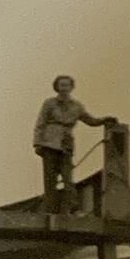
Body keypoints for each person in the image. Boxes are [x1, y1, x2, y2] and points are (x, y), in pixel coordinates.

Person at [33, 75, 117, 212]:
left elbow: (90, 120)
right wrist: (37, 143)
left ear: (71, 87)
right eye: (61, 85)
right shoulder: (49, 103)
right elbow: (40, 123)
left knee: (67, 177)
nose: (64, 88)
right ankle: (50, 209)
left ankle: (71, 208)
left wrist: (104, 120)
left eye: (67, 85)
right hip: (49, 143)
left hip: (66, 145)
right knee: (50, 180)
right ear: (56, 87)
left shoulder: (77, 106)